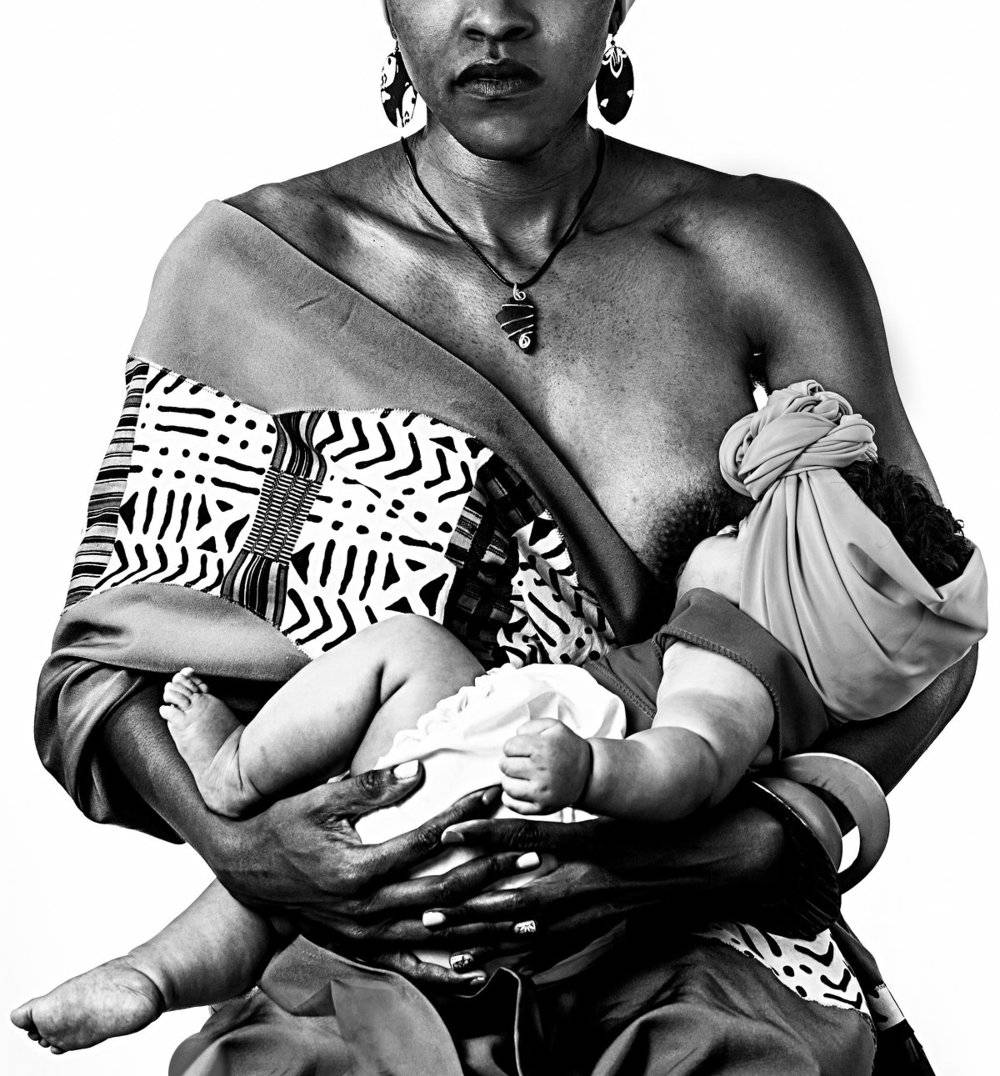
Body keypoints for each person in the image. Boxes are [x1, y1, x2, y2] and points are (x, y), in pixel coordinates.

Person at [25, 0, 979, 1075]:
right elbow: (99, 671)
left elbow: (923, 619)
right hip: (372, 917)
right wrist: (256, 853)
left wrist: (764, 835)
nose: (492, 12)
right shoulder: (252, 268)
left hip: (701, 938)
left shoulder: (760, 250)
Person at [12, 382, 986, 1056]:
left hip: (540, 791)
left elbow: (688, 760)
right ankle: (149, 974)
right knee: (313, 862)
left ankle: (225, 789)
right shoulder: (765, 671)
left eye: (739, 531)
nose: (714, 533)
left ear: (787, 590)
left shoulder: (731, 665)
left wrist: (588, 770)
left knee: (399, 667)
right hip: (520, 774)